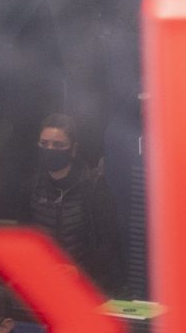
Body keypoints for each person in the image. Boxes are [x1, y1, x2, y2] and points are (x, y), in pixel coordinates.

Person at [26, 114, 126, 298]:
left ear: (73, 149)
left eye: (58, 145)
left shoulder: (94, 186)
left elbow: (110, 243)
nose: (50, 149)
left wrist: (79, 270)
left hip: (88, 286)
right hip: (42, 284)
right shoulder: (32, 183)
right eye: (44, 143)